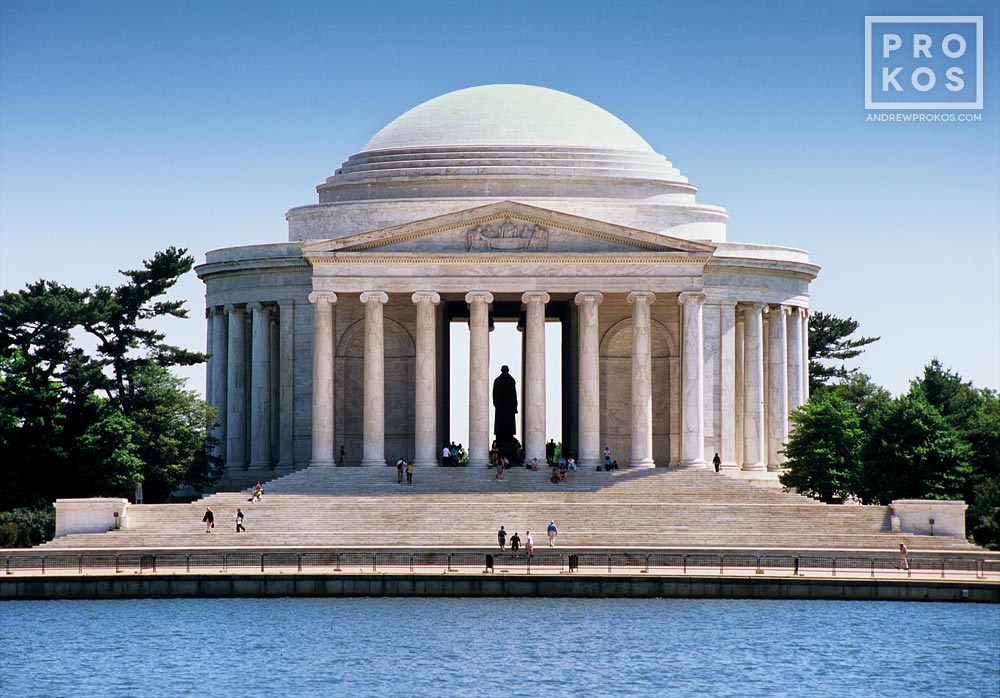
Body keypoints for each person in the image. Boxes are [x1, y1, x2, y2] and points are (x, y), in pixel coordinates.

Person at [492, 366, 518, 443]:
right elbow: (514, 394)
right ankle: (509, 435)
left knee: (500, 424)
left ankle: (501, 436)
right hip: (509, 407)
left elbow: (494, 394)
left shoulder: (497, 380)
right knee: (509, 424)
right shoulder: (511, 380)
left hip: (500, 407)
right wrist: (515, 405)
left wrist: (496, 403)